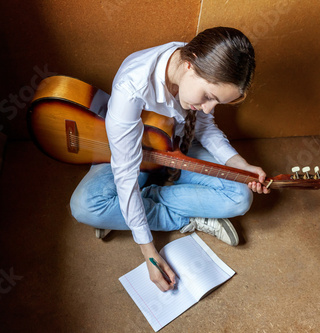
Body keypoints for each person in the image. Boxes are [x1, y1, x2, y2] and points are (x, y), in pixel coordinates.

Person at [70, 27, 270, 292]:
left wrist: (239, 165)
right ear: (189, 66)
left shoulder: (206, 64)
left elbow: (205, 127)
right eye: (209, 97)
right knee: (85, 206)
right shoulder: (132, 86)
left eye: (217, 103)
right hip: (131, 156)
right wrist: (149, 252)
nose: (209, 108)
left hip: (177, 149)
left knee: (240, 196)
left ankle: (127, 211)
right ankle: (187, 219)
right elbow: (126, 174)